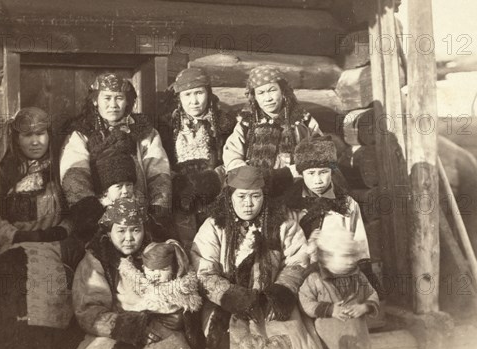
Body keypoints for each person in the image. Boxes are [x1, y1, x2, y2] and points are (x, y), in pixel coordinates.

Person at [0, 107, 82, 349]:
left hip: (56, 251)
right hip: (13, 252)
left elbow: (75, 213)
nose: (36, 141)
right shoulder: (3, 173)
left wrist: (58, 233)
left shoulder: (60, 169)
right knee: (15, 299)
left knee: (55, 297)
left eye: (41, 133)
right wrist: (19, 235)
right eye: (28, 135)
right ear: (16, 138)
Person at [191, 165, 325, 349]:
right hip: (228, 305)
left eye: (255, 196)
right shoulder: (214, 227)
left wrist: (282, 290)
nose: (249, 204)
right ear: (229, 197)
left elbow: (298, 260)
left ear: (264, 196)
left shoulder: (282, 224)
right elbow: (203, 272)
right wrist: (232, 296)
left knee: (291, 346)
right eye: (242, 197)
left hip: (272, 301)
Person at [65, 198, 203, 349]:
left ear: (144, 230)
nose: (129, 238)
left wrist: (178, 316)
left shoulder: (156, 254)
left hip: (159, 329)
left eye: (136, 230)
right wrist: (131, 328)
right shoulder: (96, 260)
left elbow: (182, 289)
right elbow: (89, 312)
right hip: (112, 332)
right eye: (121, 231)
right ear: (109, 230)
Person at [60, 73, 172, 241]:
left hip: (139, 213)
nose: (113, 105)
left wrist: (157, 211)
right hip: (98, 214)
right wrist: (91, 215)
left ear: (127, 101)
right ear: (95, 100)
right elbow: (74, 176)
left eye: (119, 98)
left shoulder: (144, 131)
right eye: (107, 98)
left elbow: (158, 172)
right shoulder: (81, 132)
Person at [158, 68, 236, 250]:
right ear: (179, 98)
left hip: (216, 194)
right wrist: (179, 184)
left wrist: (213, 179)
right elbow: (160, 160)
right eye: (187, 95)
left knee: (214, 244)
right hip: (181, 196)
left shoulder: (225, 124)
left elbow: (233, 159)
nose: (193, 101)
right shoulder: (167, 126)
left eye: (199, 93)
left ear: (208, 93)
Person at [222, 65, 323, 193]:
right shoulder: (247, 123)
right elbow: (232, 155)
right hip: (256, 186)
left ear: (283, 91)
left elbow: (320, 151)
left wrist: (297, 170)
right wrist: (249, 175)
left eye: (272, 90)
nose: (268, 98)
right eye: (261, 93)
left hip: (295, 183)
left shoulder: (302, 120)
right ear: (254, 97)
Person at [298, 234, 379, 349]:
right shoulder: (315, 279)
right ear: (327, 257)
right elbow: (304, 301)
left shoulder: (358, 277)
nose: (350, 261)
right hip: (330, 339)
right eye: (344, 256)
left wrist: (364, 307)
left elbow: (372, 294)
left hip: (358, 335)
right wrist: (329, 309)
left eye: (352, 256)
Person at [283, 135, 370, 263]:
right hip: (298, 272)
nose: (318, 181)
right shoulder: (290, 204)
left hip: (338, 270)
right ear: (301, 174)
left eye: (323, 172)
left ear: (332, 172)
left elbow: (360, 248)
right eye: (311, 173)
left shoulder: (347, 204)